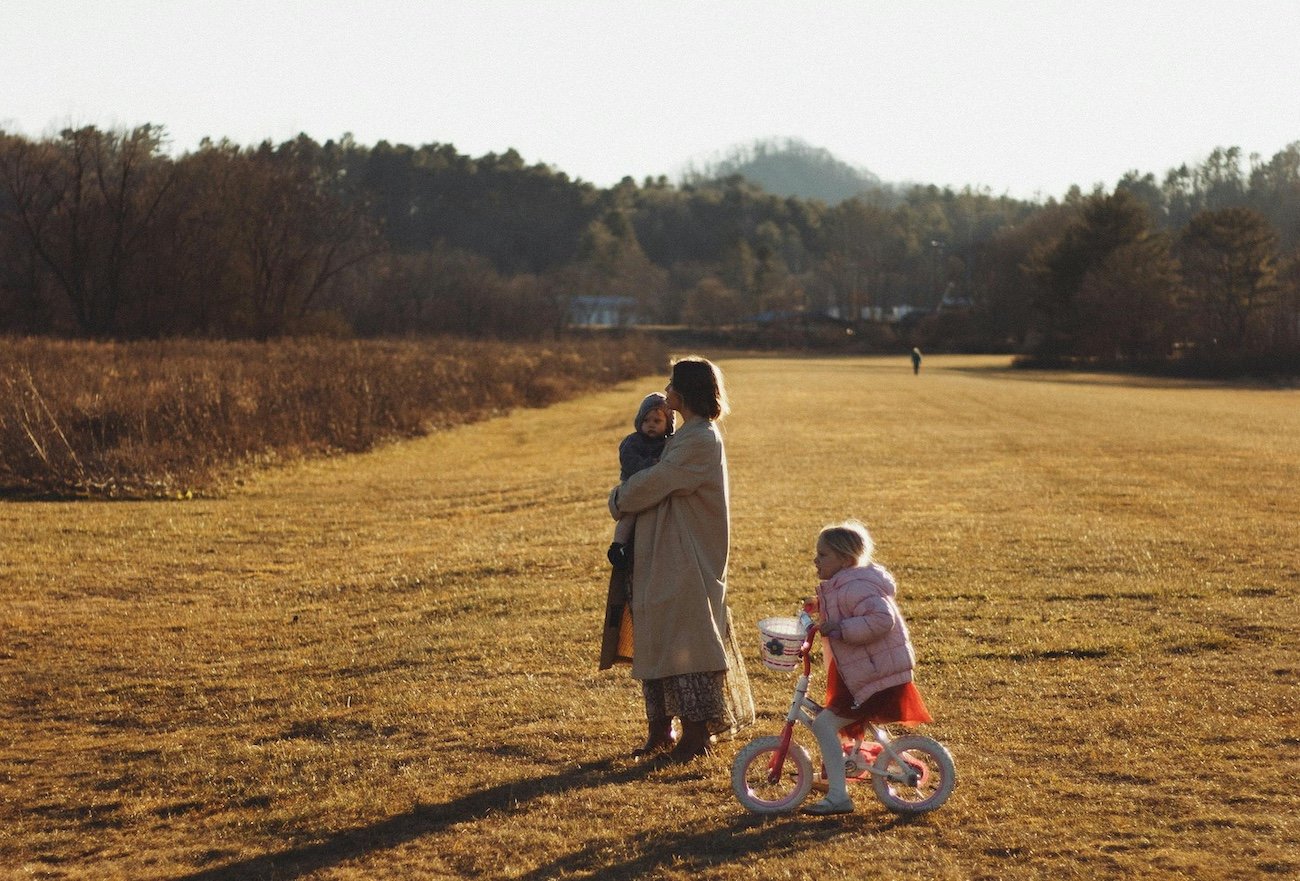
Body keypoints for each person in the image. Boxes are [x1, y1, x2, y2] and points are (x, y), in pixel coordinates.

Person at [606, 356, 754, 762]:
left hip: (686, 558)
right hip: (663, 554)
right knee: (654, 638)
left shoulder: (701, 438)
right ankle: (661, 731)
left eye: (672, 383)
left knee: (687, 643)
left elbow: (655, 483)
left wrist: (618, 498)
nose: (666, 389)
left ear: (685, 391)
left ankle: (696, 735)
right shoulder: (683, 435)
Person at [803, 520, 932, 815]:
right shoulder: (845, 584)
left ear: (846, 561)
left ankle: (838, 795)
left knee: (824, 724)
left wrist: (842, 627)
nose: (816, 560)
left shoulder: (857, 586)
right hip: (861, 671)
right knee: (834, 722)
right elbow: (844, 606)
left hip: (875, 675)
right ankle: (839, 772)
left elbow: (881, 620)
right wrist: (818, 607)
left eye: (823, 555)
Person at [606, 393, 674, 570]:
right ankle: (617, 545)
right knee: (629, 514)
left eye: (657, 421)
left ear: (667, 425)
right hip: (633, 482)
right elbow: (629, 461)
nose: (651, 424)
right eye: (646, 420)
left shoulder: (668, 443)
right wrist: (650, 465)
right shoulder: (633, 441)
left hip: (655, 489)